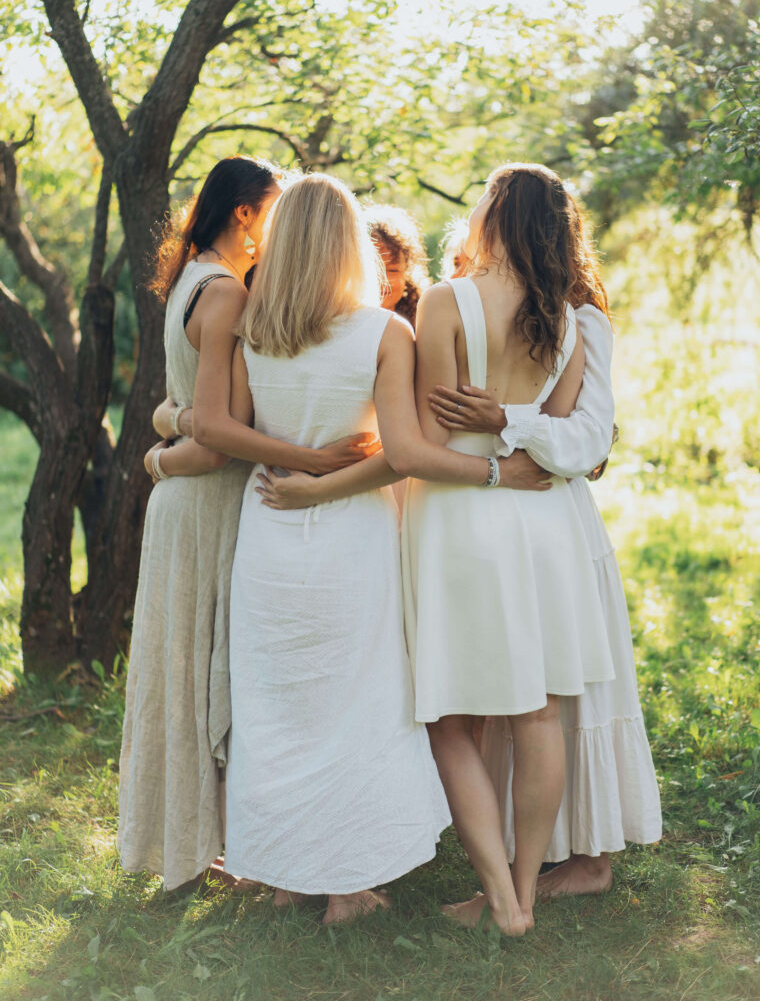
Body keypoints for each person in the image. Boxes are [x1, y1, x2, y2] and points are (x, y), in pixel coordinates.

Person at [191, 172, 549, 924]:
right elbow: (404, 450)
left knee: (278, 706)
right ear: (352, 243)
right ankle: (347, 886)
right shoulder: (386, 332)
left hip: (271, 526)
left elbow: (234, 427)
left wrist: (298, 462)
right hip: (352, 533)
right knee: (353, 704)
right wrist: (338, 467)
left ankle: (290, 871)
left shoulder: (257, 328)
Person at [118, 157, 370, 891]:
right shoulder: (224, 291)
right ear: (244, 215)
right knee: (202, 674)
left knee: (189, 670)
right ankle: (206, 848)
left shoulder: (192, 277)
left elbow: (191, 412)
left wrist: (167, 437)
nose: (280, 231)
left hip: (192, 498)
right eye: (273, 212)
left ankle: (205, 844)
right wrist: (310, 457)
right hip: (208, 505)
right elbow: (223, 432)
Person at [401, 162, 617, 935]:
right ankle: (524, 889)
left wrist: (485, 444)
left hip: (463, 514)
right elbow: (566, 443)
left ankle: (499, 899)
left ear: (492, 216)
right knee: (539, 713)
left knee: (453, 719)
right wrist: (515, 434)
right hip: (544, 519)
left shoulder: (444, 303)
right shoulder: (567, 316)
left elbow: (426, 438)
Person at [428, 300, 662, 896]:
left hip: (560, 518)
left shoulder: (580, 317)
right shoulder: (499, 303)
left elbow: (591, 439)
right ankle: (524, 855)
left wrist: (505, 417)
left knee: (570, 697)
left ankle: (588, 858)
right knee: (528, 701)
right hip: (509, 514)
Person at [366, 204, 430, 324]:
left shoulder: (421, 326)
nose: (383, 280)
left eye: (393, 270)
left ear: (406, 275)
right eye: (373, 270)